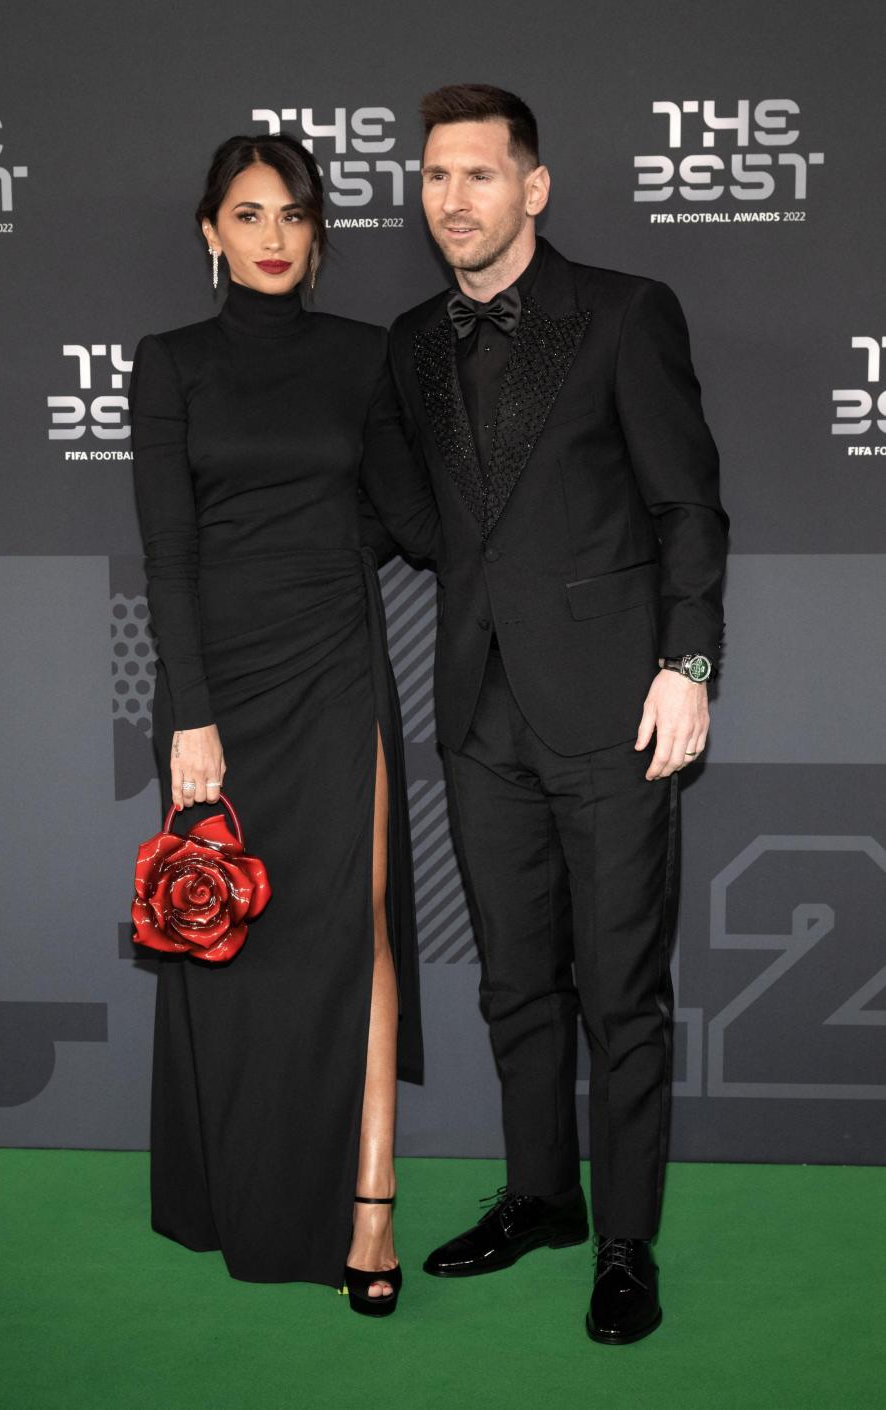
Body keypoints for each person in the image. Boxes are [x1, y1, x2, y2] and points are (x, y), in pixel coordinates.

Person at [387, 85, 729, 1344]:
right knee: (514, 982)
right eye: (433, 176)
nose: (452, 200)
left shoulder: (626, 314)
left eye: (478, 175)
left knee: (618, 990)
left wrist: (685, 664)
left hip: (614, 712)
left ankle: (626, 1241)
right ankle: (541, 1196)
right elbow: (421, 511)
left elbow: (688, 505)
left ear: (533, 187)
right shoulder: (413, 341)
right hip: (478, 712)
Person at [128, 132, 441, 1316]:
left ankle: (372, 1203)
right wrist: (190, 718)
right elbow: (168, 553)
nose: (272, 237)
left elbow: (412, 519)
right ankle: (230, 1186)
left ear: (318, 237)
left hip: (332, 672)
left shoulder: (365, 359)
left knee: (353, 927)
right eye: (248, 215)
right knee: (228, 945)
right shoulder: (171, 363)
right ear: (210, 232)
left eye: (295, 217)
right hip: (219, 689)